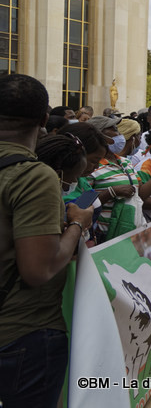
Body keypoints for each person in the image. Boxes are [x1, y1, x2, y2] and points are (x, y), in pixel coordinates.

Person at [0, 74, 93, 406]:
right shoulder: (34, 176)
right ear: (43, 120)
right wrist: (77, 226)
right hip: (21, 334)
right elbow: (38, 269)